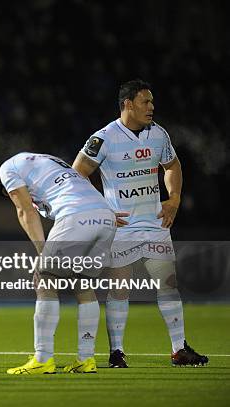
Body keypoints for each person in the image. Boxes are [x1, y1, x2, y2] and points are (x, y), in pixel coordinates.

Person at [72, 79, 208, 367]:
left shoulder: (158, 134)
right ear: (128, 104)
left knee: (169, 285)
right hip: (121, 228)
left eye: (152, 102)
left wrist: (174, 198)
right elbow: (77, 172)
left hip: (156, 224)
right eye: (146, 102)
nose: (152, 107)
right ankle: (116, 352)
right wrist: (100, 208)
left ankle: (179, 348)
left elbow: (172, 166)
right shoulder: (105, 137)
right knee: (119, 289)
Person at [0, 152, 119, 375]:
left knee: (44, 277)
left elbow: (24, 210)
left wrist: (41, 252)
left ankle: (43, 358)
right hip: (106, 216)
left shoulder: (8, 168)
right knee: (83, 283)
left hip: (77, 214)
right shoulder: (48, 162)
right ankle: (86, 358)